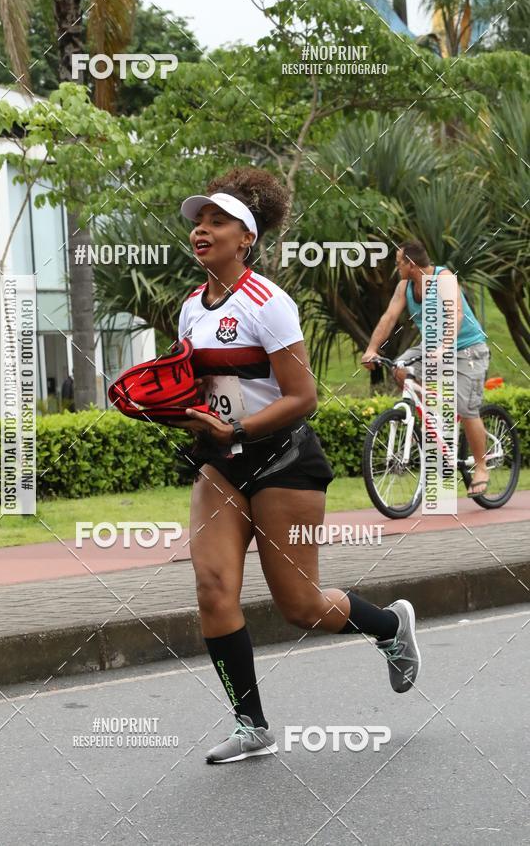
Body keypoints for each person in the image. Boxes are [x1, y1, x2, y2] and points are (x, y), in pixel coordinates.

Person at [173, 166, 422, 764]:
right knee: (212, 590)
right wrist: (173, 409)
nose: (202, 231)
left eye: (217, 221)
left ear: (246, 238)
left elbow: (301, 397)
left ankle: (389, 628)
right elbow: (201, 388)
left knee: (301, 607)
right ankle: (251, 724)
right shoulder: (190, 308)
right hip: (221, 466)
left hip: (284, 462)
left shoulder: (269, 304)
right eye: (198, 222)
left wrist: (236, 426)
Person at [361, 239, 491, 496]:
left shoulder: (443, 278)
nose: (397, 268)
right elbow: (388, 318)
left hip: (467, 349)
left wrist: (444, 347)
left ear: (410, 264)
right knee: (399, 367)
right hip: (432, 347)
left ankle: (481, 467)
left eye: (399, 263)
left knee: (466, 408)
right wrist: (371, 349)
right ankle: (431, 412)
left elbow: (456, 314)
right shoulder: (404, 287)